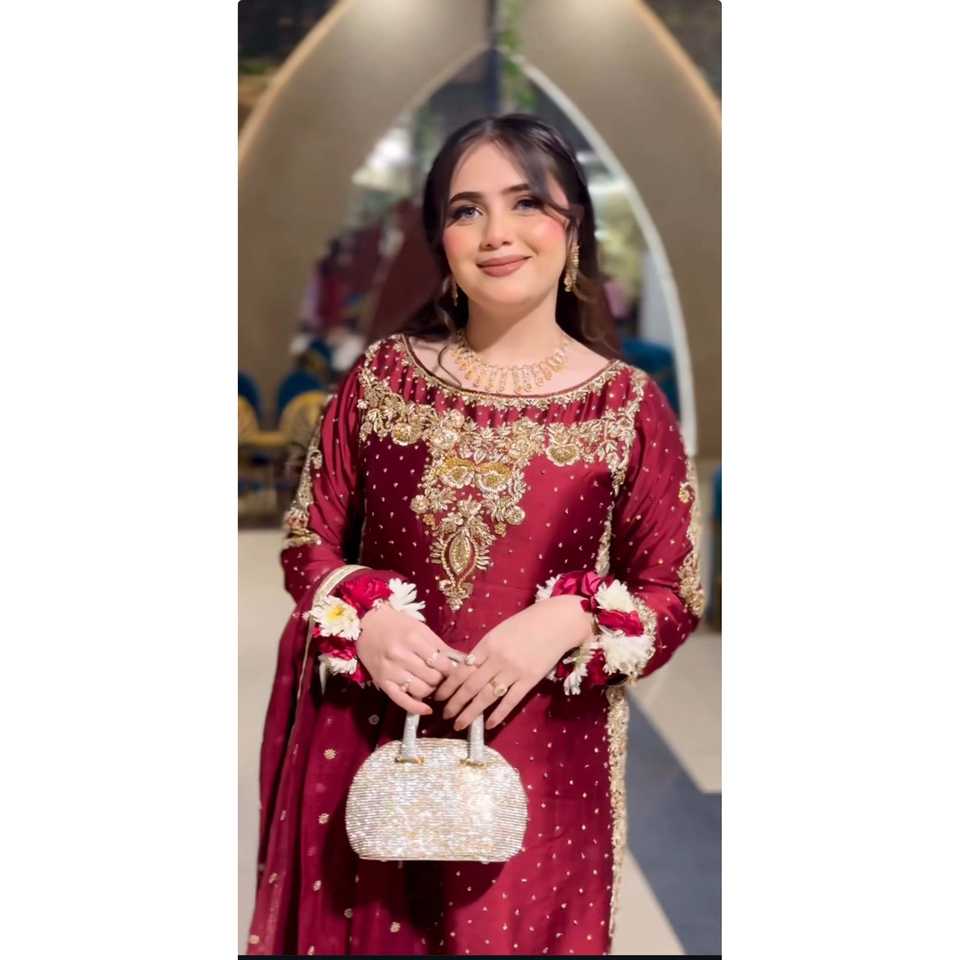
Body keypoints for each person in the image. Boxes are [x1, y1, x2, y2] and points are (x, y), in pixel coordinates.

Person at [246, 114, 704, 956]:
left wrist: (567, 619)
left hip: (546, 772)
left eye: (526, 202)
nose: (496, 233)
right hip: (375, 746)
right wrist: (365, 617)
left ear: (574, 228)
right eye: (466, 210)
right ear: (441, 239)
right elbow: (308, 539)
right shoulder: (385, 379)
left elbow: (672, 595)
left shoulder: (628, 408)